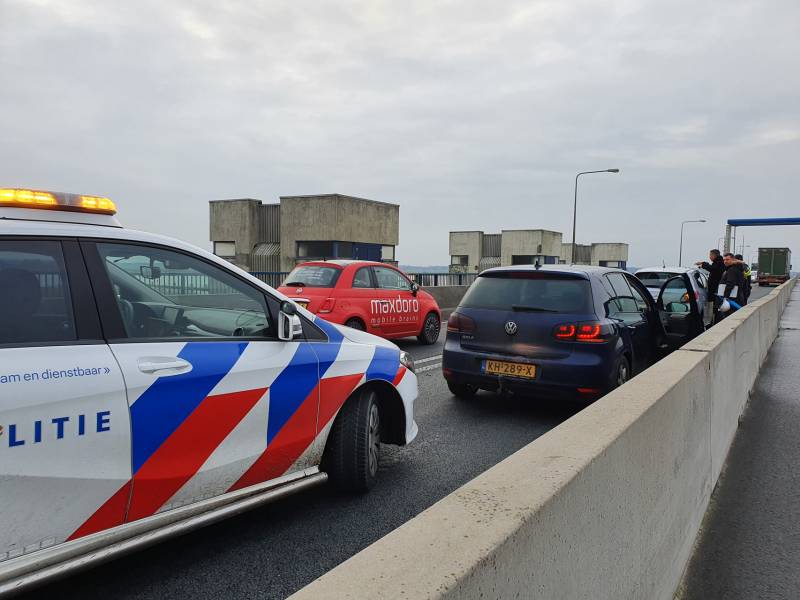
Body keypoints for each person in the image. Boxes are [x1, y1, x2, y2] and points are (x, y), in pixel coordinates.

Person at [696, 249, 725, 324]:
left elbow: (713, 269)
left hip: (716, 290)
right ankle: (714, 321)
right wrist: (703, 263)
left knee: (716, 308)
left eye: (710, 255)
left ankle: (715, 322)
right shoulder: (717, 262)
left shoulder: (719, 263)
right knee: (715, 308)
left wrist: (703, 265)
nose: (709, 257)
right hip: (716, 290)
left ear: (714, 255)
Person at [717, 253, 746, 319]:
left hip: (731, 300)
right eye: (724, 260)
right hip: (738, 299)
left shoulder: (732, 270)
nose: (725, 261)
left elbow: (730, 284)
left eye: (727, 259)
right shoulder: (738, 269)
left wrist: (725, 297)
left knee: (729, 319)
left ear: (733, 260)